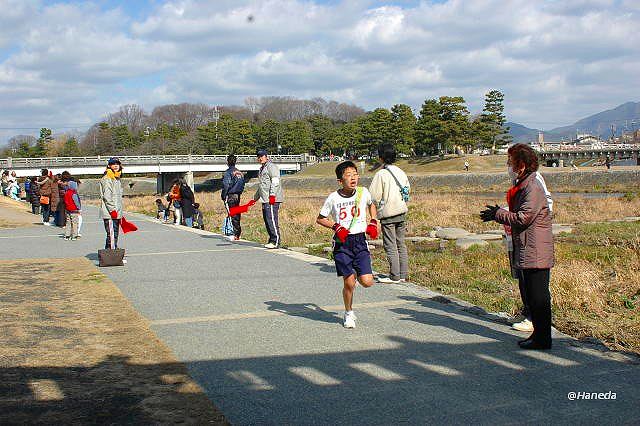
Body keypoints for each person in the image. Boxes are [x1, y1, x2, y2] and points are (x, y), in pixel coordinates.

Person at [481, 143, 554, 350]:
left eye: (510, 162)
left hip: (535, 247)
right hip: (530, 245)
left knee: (539, 296)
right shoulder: (525, 183)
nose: (508, 166)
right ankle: (539, 335)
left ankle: (542, 338)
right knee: (533, 294)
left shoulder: (532, 185)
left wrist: (498, 214)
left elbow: (524, 218)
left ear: (521, 165)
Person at [316, 161, 379, 329]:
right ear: (340, 180)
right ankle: (348, 312)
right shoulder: (333, 198)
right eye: (348, 175)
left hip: (360, 241)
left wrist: (373, 221)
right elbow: (320, 218)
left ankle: (356, 276)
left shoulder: (363, 192)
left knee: (367, 282)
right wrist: (336, 226)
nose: (353, 178)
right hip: (342, 243)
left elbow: (371, 204)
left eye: (355, 174)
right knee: (349, 283)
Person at [369, 142, 410, 284]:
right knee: (401, 244)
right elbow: (407, 190)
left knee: (390, 245)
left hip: (388, 214)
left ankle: (394, 276)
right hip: (401, 212)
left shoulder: (381, 174)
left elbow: (373, 196)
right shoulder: (401, 171)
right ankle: (404, 274)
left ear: (380, 158)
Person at [253, 149, 284, 248]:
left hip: (272, 199)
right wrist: (255, 198)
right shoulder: (262, 168)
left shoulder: (271, 167)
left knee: (271, 220)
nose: (260, 158)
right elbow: (262, 185)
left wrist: (272, 195)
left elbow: (275, 181)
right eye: (258, 156)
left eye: (262, 156)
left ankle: (276, 241)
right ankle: (271, 239)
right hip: (265, 198)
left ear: (266, 156)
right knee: (267, 220)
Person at [100, 157, 123, 249]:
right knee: (112, 235)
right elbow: (107, 196)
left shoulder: (116, 178)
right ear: (109, 166)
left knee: (113, 234)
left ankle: (108, 256)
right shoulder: (108, 178)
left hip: (116, 213)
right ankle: (112, 255)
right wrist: (113, 210)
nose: (116, 165)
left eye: (117, 164)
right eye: (113, 164)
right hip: (110, 213)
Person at [221, 154, 245, 240]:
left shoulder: (228, 172)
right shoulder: (239, 172)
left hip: (230, 195)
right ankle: (237, 233)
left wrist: (223, 195)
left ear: (227, 162)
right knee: (237, 214)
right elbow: (243, 184)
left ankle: (234, 233)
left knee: (232, 214)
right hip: (238, 195)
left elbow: (226, 185)